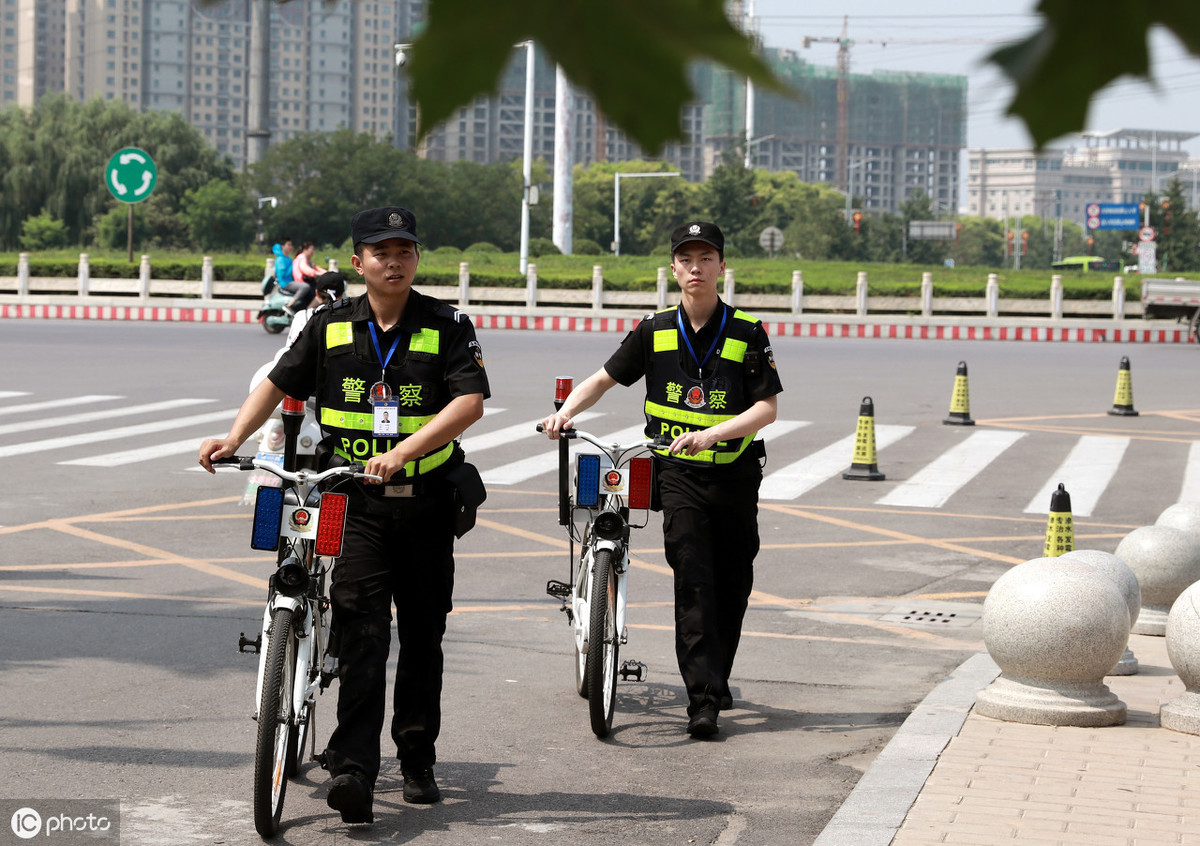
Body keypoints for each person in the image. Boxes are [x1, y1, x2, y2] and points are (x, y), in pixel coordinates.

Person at [199, 206, 490, 824]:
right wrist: (232, 437)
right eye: (380, 252)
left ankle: (416, 759)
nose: (394, 261)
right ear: (358, 263)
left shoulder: (447, 325)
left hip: (426, 502)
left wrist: (405, 453)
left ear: (416, 259)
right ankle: (355, 767)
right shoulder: (329, 325)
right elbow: (277, 383)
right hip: (354, 504)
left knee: (422, 635)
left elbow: (469, 403)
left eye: (404, 251)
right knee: (360, 634)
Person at [541, 221, 782, 739]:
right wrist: (564, 412)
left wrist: (714, 435)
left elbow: (766, 408)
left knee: (733, 583)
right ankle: (702, 702)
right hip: (677, 476)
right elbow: (604, 379)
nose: (696, 268)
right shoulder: (653, 330)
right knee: (693, 580)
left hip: (736, 475)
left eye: (706, 259)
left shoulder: (747, 331)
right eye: (686, 260)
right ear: (673, 269)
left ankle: (715, 681)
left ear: (721, 267)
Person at [285, 270, 346, 349]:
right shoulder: (351, 317)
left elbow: (289, 349)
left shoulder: (302, 316)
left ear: (317, 293)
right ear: (341, 295)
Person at [285, 240, 324, 316]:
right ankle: (308, 314)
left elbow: (316, 268)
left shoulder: (307, 259)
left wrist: (328, 273)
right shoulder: (302, 257)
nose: (313, 251)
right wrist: (316, 273)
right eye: (311, 249)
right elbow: (305, 269)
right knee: (320, 295)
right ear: (305, 249)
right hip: (302, 282)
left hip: (306, 282)